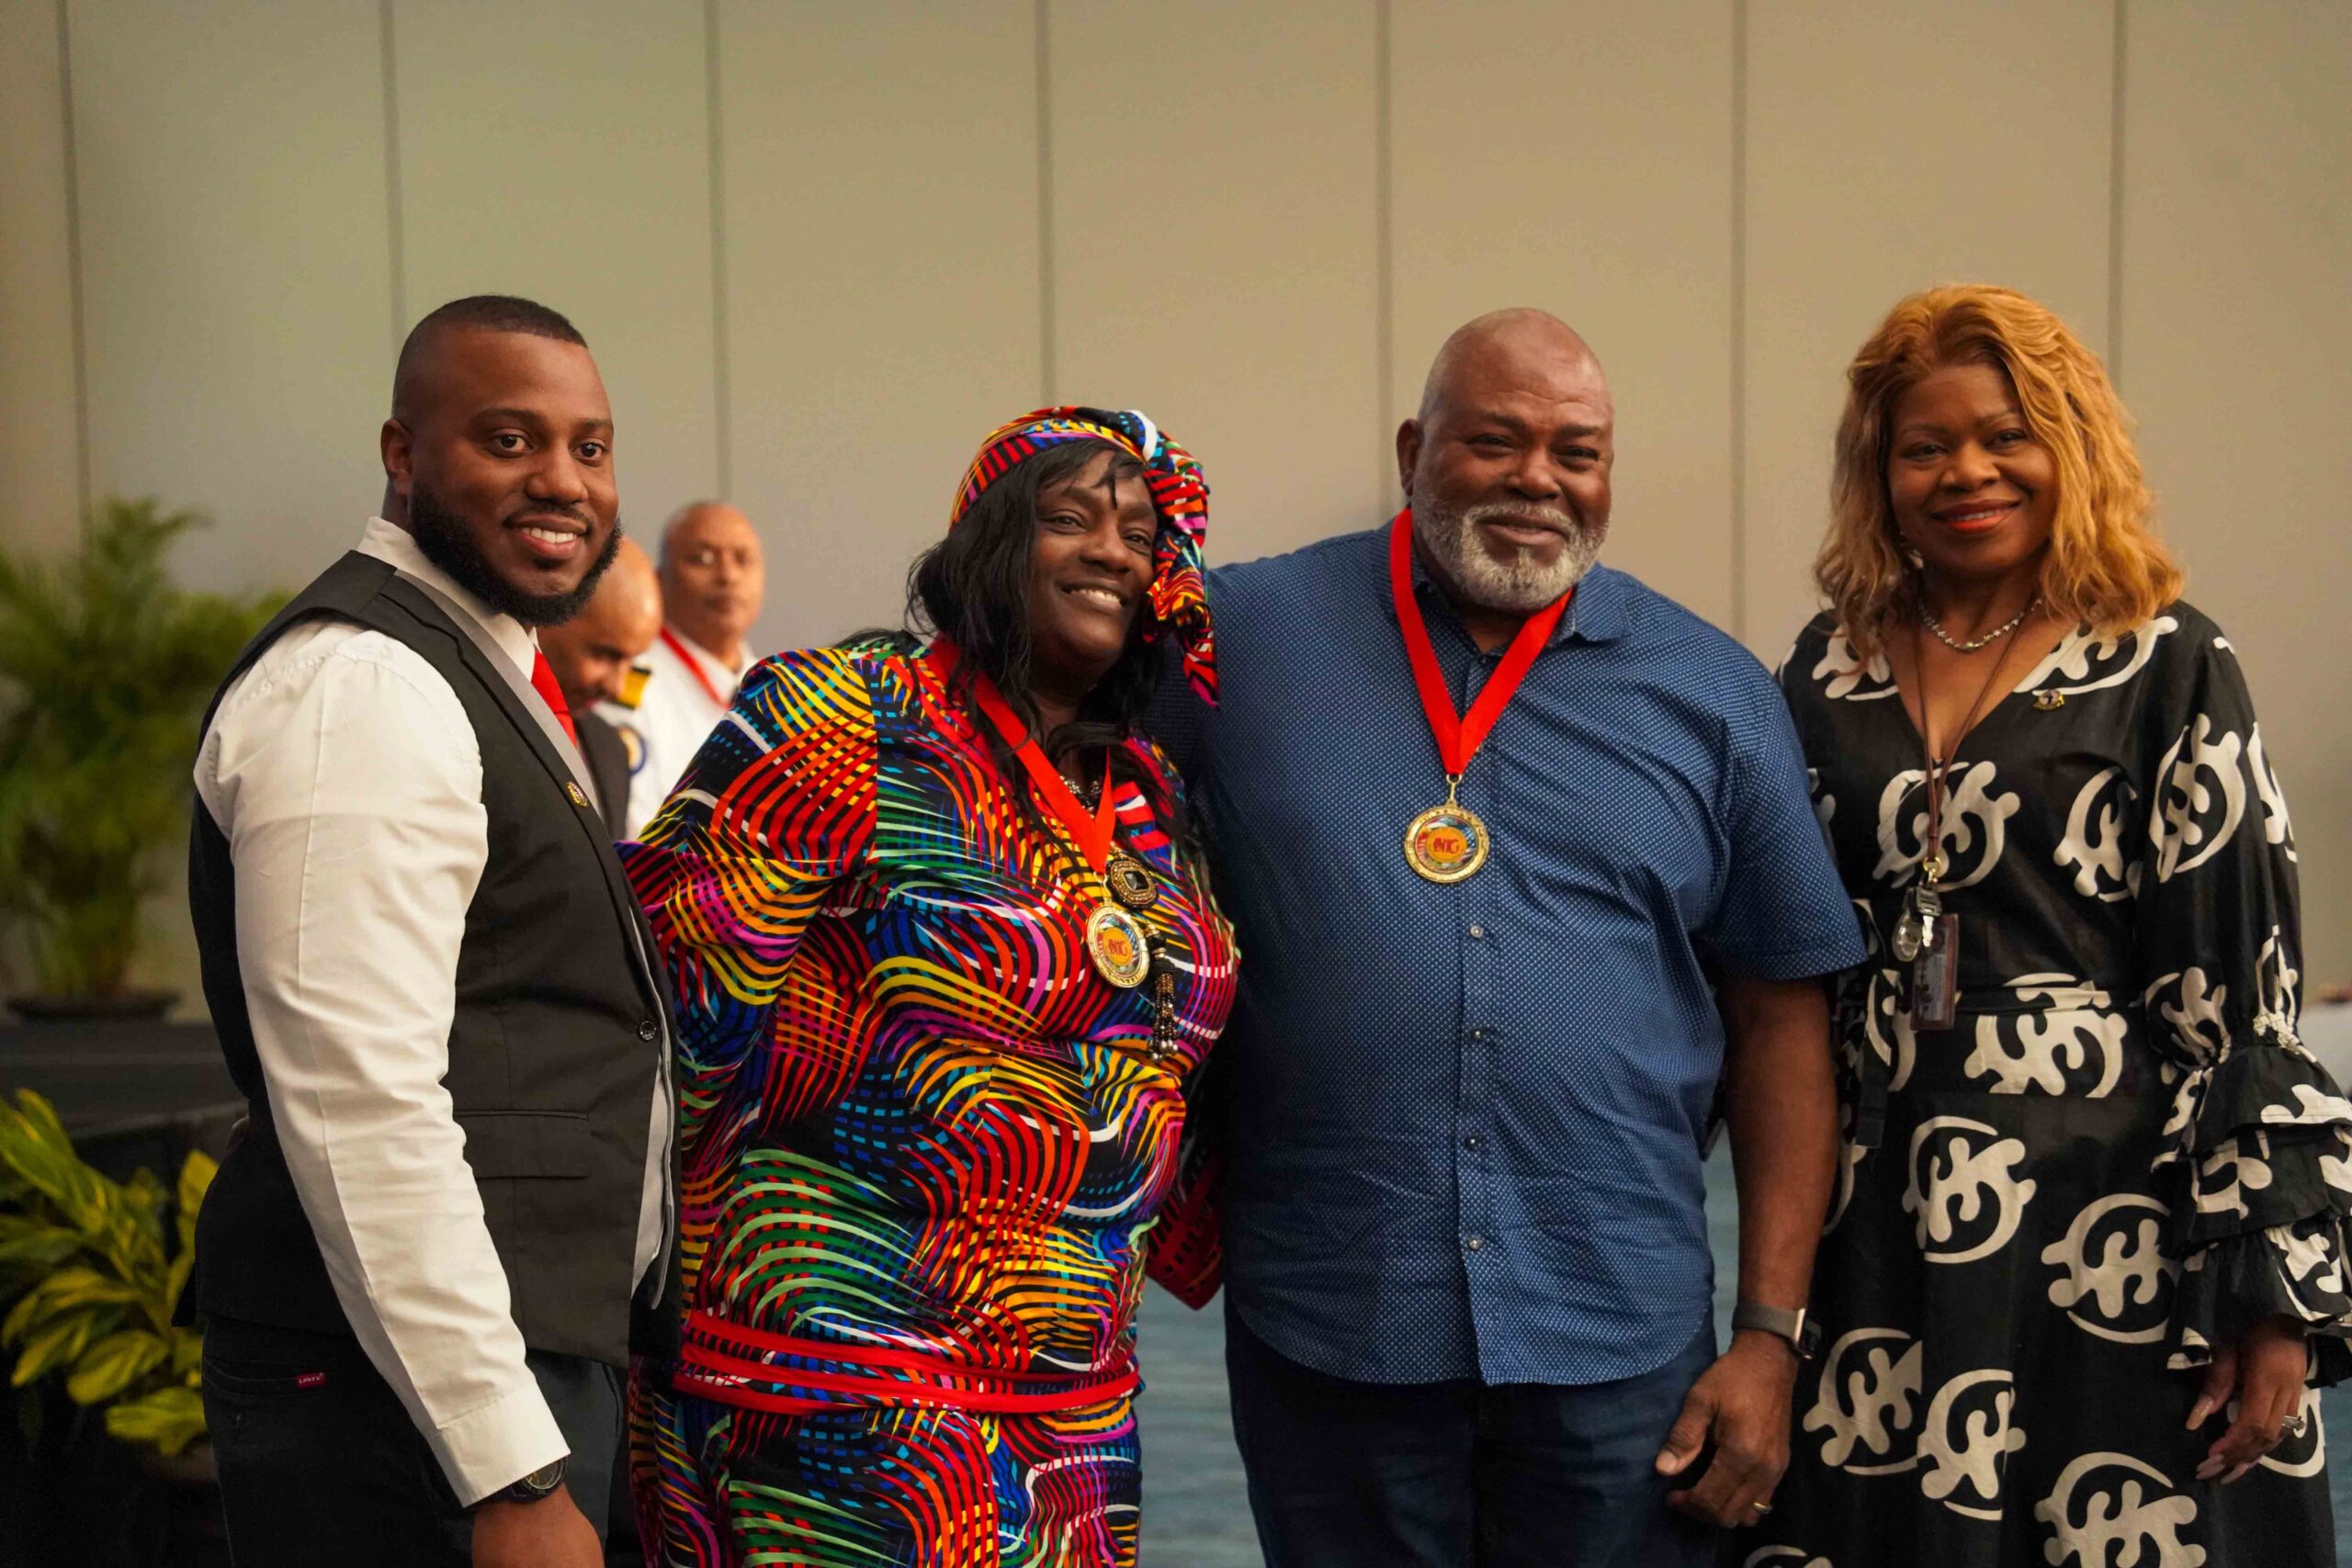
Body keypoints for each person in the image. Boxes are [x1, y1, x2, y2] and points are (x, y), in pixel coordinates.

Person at [1148, 309, 1867, 1566]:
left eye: (1576, 452)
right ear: (1413, 450)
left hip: (1616, 1329)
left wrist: (1768, 1335)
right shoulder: (1240, 638)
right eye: (1495, 441)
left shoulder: (1712, 692)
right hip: (1335, 1319)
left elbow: (1781, 1019)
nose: (1539, 478)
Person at [1750, 284, 2350, 1567]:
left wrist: (2270, 1296)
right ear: (1879, 474)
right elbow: (1776, 966)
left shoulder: (2168, 660)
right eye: (1925, 446)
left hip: (2113, 1227)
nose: (1966, 471)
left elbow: (2244, 1004)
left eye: (2004, 435)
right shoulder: (1824, 668)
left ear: (2069, 448)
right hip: (1880, 1215)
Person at [621, 408, 1235, 1565]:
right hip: (832, 1404)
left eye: (1140, 536)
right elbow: (671, 1007)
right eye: (1069, 518)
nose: (1112, 551)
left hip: (1073, 1420)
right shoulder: (844, 716)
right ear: (989, 542)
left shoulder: (1148, 793)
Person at [187, 295, 674, 1568]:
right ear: (403, 453)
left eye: (590, 446)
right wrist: (508, 1465)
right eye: (509, 440)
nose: (563, 480)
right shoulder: (365, 685)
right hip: (418, 1408)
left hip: (506, 1366)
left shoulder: (478, 661)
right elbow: (361, 1102)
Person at [601, 499, 764, 834]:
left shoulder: (774, 683)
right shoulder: (625, 679)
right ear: (660, 578)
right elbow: (633, 833)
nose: (728, 575)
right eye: (703, 559)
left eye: (743, 559)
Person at [538, 532, 662, 827]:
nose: (617, 687)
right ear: (550, 614)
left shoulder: (611, 752)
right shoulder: (476, 728)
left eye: (632, 660)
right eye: (606, 655)